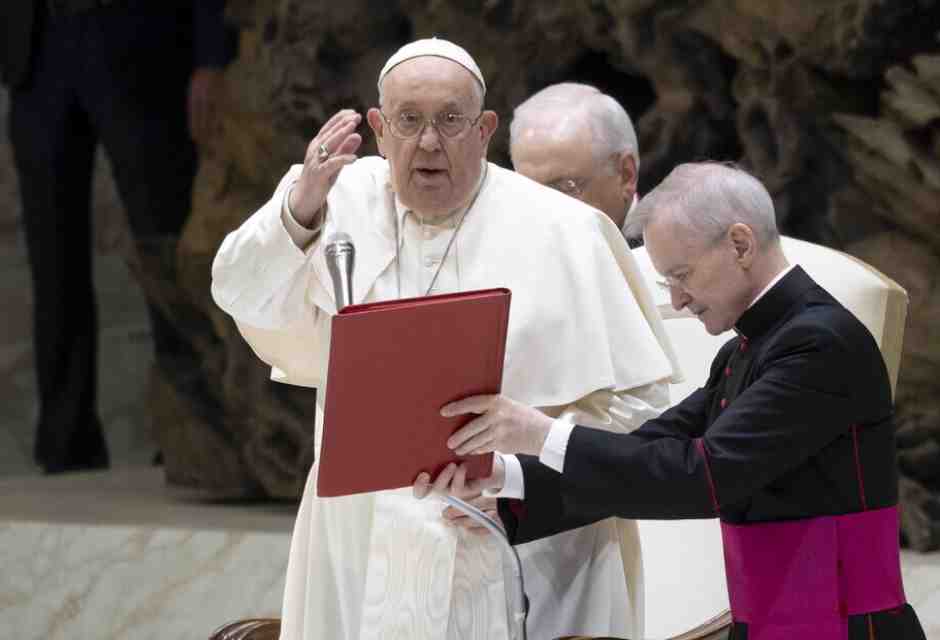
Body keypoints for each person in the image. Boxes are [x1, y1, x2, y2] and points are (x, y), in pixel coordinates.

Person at [212, 38, 682, 640]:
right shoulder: (333, 201)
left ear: (485, 130)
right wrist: (298, 209)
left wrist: (519, 472)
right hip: (362, 531)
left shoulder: (567, 230)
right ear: (379, 129)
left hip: (516, 538)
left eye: (450, 120)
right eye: (408, 120)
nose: (429, 141)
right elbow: (238, 290)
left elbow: (639, 412)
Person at [416, 162, 926, 639]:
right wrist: (506, 477)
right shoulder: (745, 350)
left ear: (740, 244)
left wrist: (539, 432)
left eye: (682, 275)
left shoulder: (818, 344)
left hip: (847, 625)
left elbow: (703, 476)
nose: (677, 299)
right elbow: (648, 448)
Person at [1, 0, 235, 473]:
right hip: (36, 51)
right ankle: (65, 444)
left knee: (163, 247)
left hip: (135, 36)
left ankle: (194, 429)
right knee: (52, 264)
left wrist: (212, 55)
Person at [509, 82, 642, 245]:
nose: (540, 214)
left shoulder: (663, 254)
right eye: (526, 193)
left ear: (626, 175)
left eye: (564, 188)